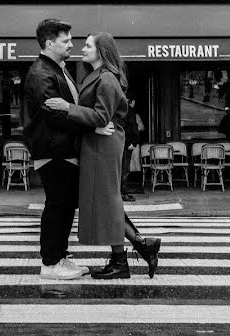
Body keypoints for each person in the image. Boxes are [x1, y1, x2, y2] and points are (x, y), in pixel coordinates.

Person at [46, 33, 161, 279]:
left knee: (108, 201)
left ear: (101, 51)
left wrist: (68, 108)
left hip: (103, 146)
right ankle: (139, 247)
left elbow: (101, 117)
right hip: (98, 144)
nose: (83, 48)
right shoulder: (99, 76)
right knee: (108, 201)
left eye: (88, 45)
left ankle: (124, 259)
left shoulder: (107, 79)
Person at [23, 18, 91, 280]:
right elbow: (54, 114)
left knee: (64, 205)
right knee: (57, 205)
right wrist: (89, 124)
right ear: (49, 43)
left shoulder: (55, 68)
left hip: (61, 149)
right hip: (54, 150)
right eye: (65, 41)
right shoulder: (42, 73)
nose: (71, 45)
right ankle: (50, 263)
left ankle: (60, 257)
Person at [121, 95, 144, 202]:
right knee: (124, 170)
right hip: (127, 145)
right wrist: (128, 143)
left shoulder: (126, 109)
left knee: (125, 169)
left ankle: (123, 192)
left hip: (129, 144)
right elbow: (124, 128)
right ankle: (122, 193)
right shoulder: (125, 110)